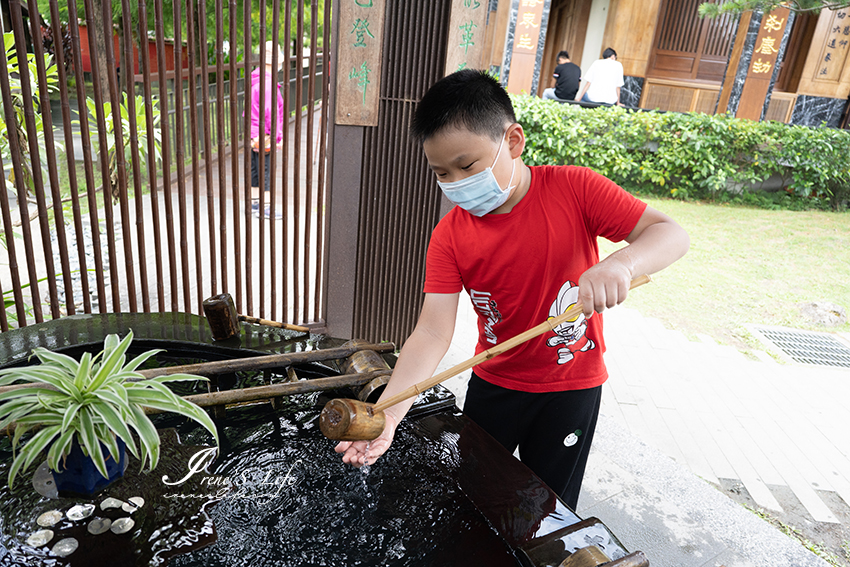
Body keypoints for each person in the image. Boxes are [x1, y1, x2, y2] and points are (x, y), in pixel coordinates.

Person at [335, 70, 689, 510]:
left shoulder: (575, 189)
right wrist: (388, 414)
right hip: (494, 384)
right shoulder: (450, 236)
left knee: (550, 510)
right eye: (441, 172)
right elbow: (431, 332)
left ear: (513, 142)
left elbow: (670, 233)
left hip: (570, 388)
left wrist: (622, 261)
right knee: (478, 502)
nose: (455, 182)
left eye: (467, 166)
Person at [250, 40, 286, 218]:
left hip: (255, 132)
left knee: (256, 169)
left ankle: (255, 203)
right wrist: (277, 137)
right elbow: (270, 114)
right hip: (264, 134)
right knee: (266, 170)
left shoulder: (256, 79)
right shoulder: (268, 84)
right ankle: (266, 208)